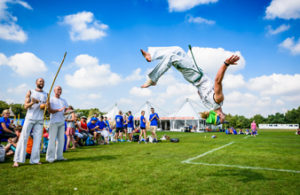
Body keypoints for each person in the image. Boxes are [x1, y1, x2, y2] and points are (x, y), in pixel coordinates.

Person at [140, 46, 240, 124]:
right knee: (177, 49)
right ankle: (151, 55)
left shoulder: (218, 100)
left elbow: (217, 81)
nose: (224, 118)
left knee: (171, 57)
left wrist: (226, 64)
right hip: (193, 78)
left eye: (222, 119)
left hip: (195, 75)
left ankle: (153, 79)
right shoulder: (208, 106)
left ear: (218, 115)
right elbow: (199, 92)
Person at [13, 78, 48, 167]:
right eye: (40, 81)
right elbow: (25, 106)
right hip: (30, 118)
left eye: (43, 81)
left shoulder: (46, 94)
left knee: (37, 140)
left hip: (40, 119)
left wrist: (45, 107)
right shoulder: (30, 92)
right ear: (36, 82)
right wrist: (32, 102)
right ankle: (17, 160)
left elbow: (47, 108)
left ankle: (35, 160)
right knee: (23, 138)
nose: (41, 82)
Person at [46, 86, 68, 163]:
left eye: (61, 89)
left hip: (62, 122)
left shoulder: (64, 100)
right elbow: (50, 111)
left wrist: (69, 112)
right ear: (54, 91)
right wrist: (59, 110)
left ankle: (59, 156)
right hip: (54, 122)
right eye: (58, 89)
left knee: (61, 140)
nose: (60, 90)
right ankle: (50, 158)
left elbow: (65, 112)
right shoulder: (51, 99)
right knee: (52, 140)